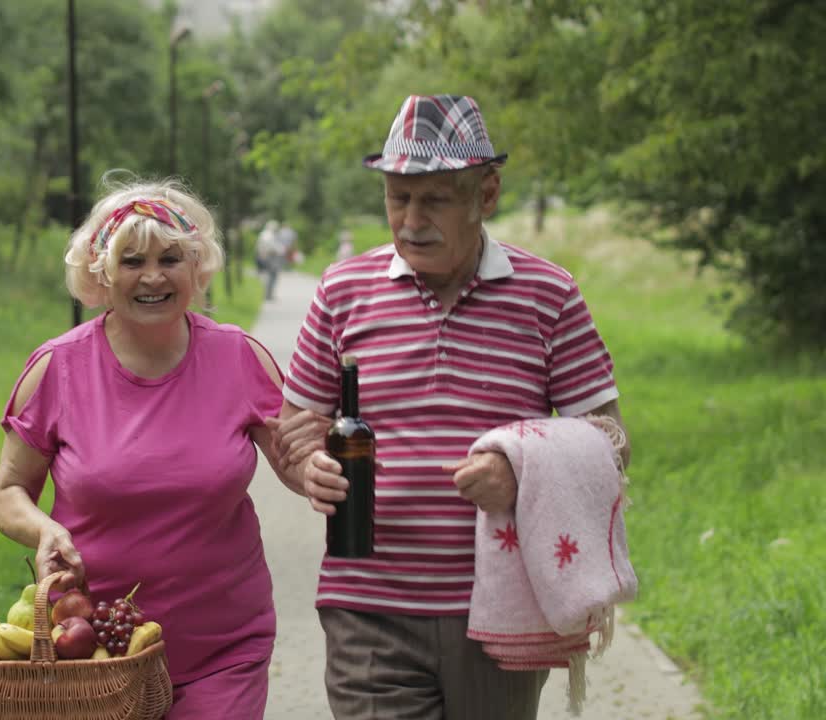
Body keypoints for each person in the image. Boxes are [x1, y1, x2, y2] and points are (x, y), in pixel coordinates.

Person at [265, 94, 631, 720]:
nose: (409, 220)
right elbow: (292, 431)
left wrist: (524, 473)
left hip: (502, 607)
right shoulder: (341, 290)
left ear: (485, 196)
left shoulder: (550, 295)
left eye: (432, 199)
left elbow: (611, 442)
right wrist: (306, 468)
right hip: (367, 603)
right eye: (397, 197)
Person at [0, 176, 291, 719]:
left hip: (225, 646)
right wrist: (45, 530)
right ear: (101, 273)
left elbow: (301, 466)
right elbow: (7, 493)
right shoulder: (57, 367)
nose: (152, 276)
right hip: (94, 650)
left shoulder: (239, 358)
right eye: (131, 261)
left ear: (196, 268)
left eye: (170, 258)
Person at [256, 219, 284, 300]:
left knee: (270, 276)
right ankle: (268, 295)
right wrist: (281, 250)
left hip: (264, 257)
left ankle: (268, 294)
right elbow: (272, 247)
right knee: (272, 276)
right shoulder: (268, 235)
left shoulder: (264, 234)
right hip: (269, 258)